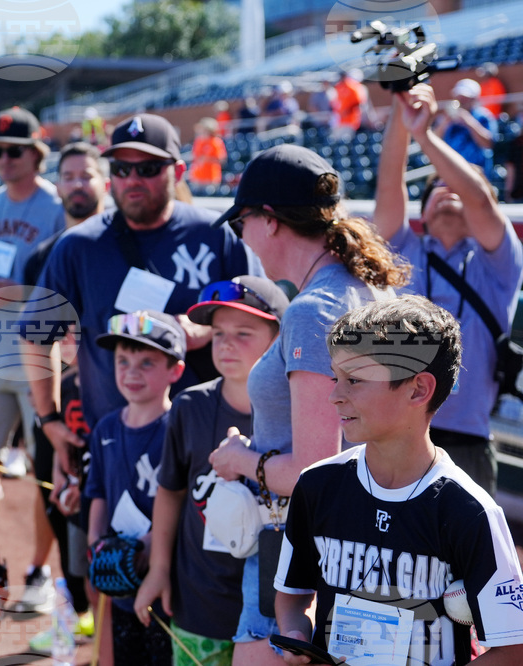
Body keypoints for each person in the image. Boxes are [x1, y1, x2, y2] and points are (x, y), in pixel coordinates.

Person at [207, 143, 409, 666]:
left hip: (301, 556)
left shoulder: (314, 307)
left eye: (241, 223)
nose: (243, 237)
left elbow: (314, 474)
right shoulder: (364, 291)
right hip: (365, 546)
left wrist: (241, 462)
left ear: (268, 221)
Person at [275, 295, 523, 665]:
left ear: (418, 389)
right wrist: (295, 639)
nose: (334, 395)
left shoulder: (469, 511)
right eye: (335, 377)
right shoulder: (317, 485)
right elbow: (291, 595)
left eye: (354, 380)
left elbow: (512, 648)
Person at [22, 113, 259, 480]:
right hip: (116, 444)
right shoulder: (79, 245)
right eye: (121, 168)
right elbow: (36, 335)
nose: (132, 179)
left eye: (148, 168)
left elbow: (259, 323)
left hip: (210, 444)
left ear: (177, 172)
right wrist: (49, 418)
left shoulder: (215, 234)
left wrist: (211, 330)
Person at [374, 82, 523, 496]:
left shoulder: (498, 260)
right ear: (423, 211)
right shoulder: (404, 250)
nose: (447, 190)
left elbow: (478, 201)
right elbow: (389, 187)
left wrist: (426, 134)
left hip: (468, 440)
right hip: (396, 431)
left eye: (456, 185)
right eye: (437, 186)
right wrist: (403, 117)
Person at [134, 276, 289, 666]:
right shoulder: (190, 405)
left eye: (243, 333)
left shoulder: (298, 416)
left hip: (271, 609)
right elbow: (170, 491)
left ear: (279, 339)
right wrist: (158, 570)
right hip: (198, 600)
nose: (226, 343)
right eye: (218, 333)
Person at [0, 106, 65, 571]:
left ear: (36, 153)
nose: (5, 159)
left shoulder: (58, 207)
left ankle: (41, 570)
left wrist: (16, 293)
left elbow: (65, 285)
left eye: (14, 151)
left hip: (41, 355)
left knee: (46, 474)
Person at [20, 140, 110, 619]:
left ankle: (107, 625)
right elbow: (33, 337)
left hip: (109, 396)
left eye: (86, 174)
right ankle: (84, 616)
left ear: (104, 182)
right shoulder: (41, 257)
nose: (78, 183)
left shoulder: (121, 246)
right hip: (58, 402)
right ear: (58, 186)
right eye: (69, 175)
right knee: (59, 503)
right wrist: (47, 412)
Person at [86, 310, 187, 666]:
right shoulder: (106, 429)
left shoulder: (180, 428)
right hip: (120, 575)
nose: (131, 372)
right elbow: (97, 493)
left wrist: (148, 546)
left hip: (167, 579)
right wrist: (95, 543)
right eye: (122, 361)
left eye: (146, 363)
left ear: (175, 370)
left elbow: (187, 504)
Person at [434, 78, 496, 175]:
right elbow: (434, 140)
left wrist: (468, 121)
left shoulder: (483, 116)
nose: (461, 100)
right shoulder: (448, 117)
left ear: (474, 99)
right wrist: (445, 122)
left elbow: (488, 144)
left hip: (477, 171)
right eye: (458, 97)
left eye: (465, 97)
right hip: (452, 170)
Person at [189, 117, 227, 189]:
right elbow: (194, 157)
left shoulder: (216, 142)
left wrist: (207, 159)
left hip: (211, 177)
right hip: (197, 176)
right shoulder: (198, 141)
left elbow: (221, 160)